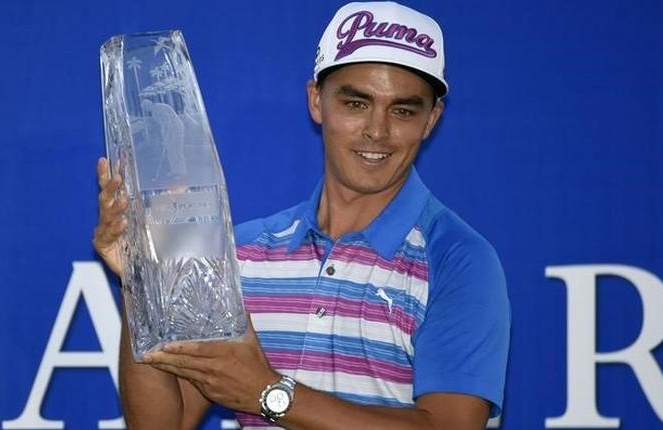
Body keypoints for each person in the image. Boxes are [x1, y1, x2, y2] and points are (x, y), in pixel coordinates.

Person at [94, 2, 510, 429]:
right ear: (316, 101)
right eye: (356, 104)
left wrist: (266, 392)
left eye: (403, 110)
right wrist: (143, 279)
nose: (377, 131)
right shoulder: (242, 253)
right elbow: (163, 425)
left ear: (431, 119)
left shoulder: (458, 260)